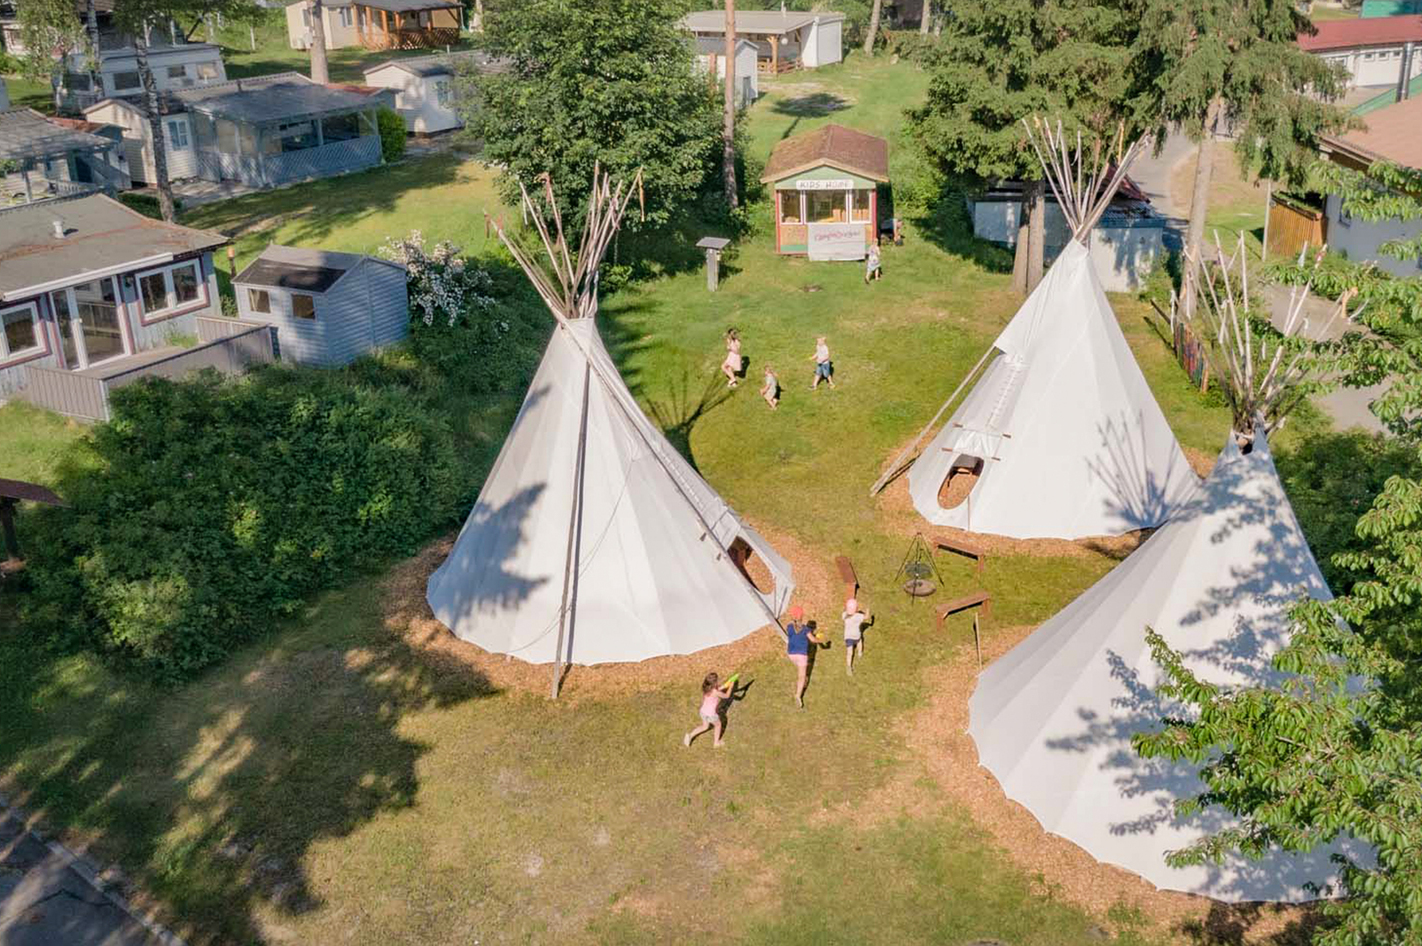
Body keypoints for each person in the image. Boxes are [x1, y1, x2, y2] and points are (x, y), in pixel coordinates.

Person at [784, 605, 827, 708]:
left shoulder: (789, 627)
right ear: (802, 616)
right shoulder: (806, 629)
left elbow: (791, 636)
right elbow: (813, 640)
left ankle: (803, 676)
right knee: (802, 676)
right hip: (801, 655)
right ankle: (798, 695)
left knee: (800, 667)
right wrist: (821, 640)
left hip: (791, 654)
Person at [684, 671, 736, 747]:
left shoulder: (706, 688)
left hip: (703, 712)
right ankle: (716, 743)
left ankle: (690, 735)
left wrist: (725, 685)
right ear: (714, 683)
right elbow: (727, 696)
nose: (718, 681)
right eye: (717, 680)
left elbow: (718, 689)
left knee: (705, 726)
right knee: (718, 725)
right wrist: (731, 687)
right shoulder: (715, 692)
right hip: (711, 714)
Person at [842, 597, 871, 675]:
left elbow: (845, 612)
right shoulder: (858, 616)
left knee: (849, 652)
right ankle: (860, 653)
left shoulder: (844, 615)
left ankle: (848, 666)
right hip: (856, 636)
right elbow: (866, 617)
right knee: (859, 642)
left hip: (848, 637)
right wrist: (867, 610)